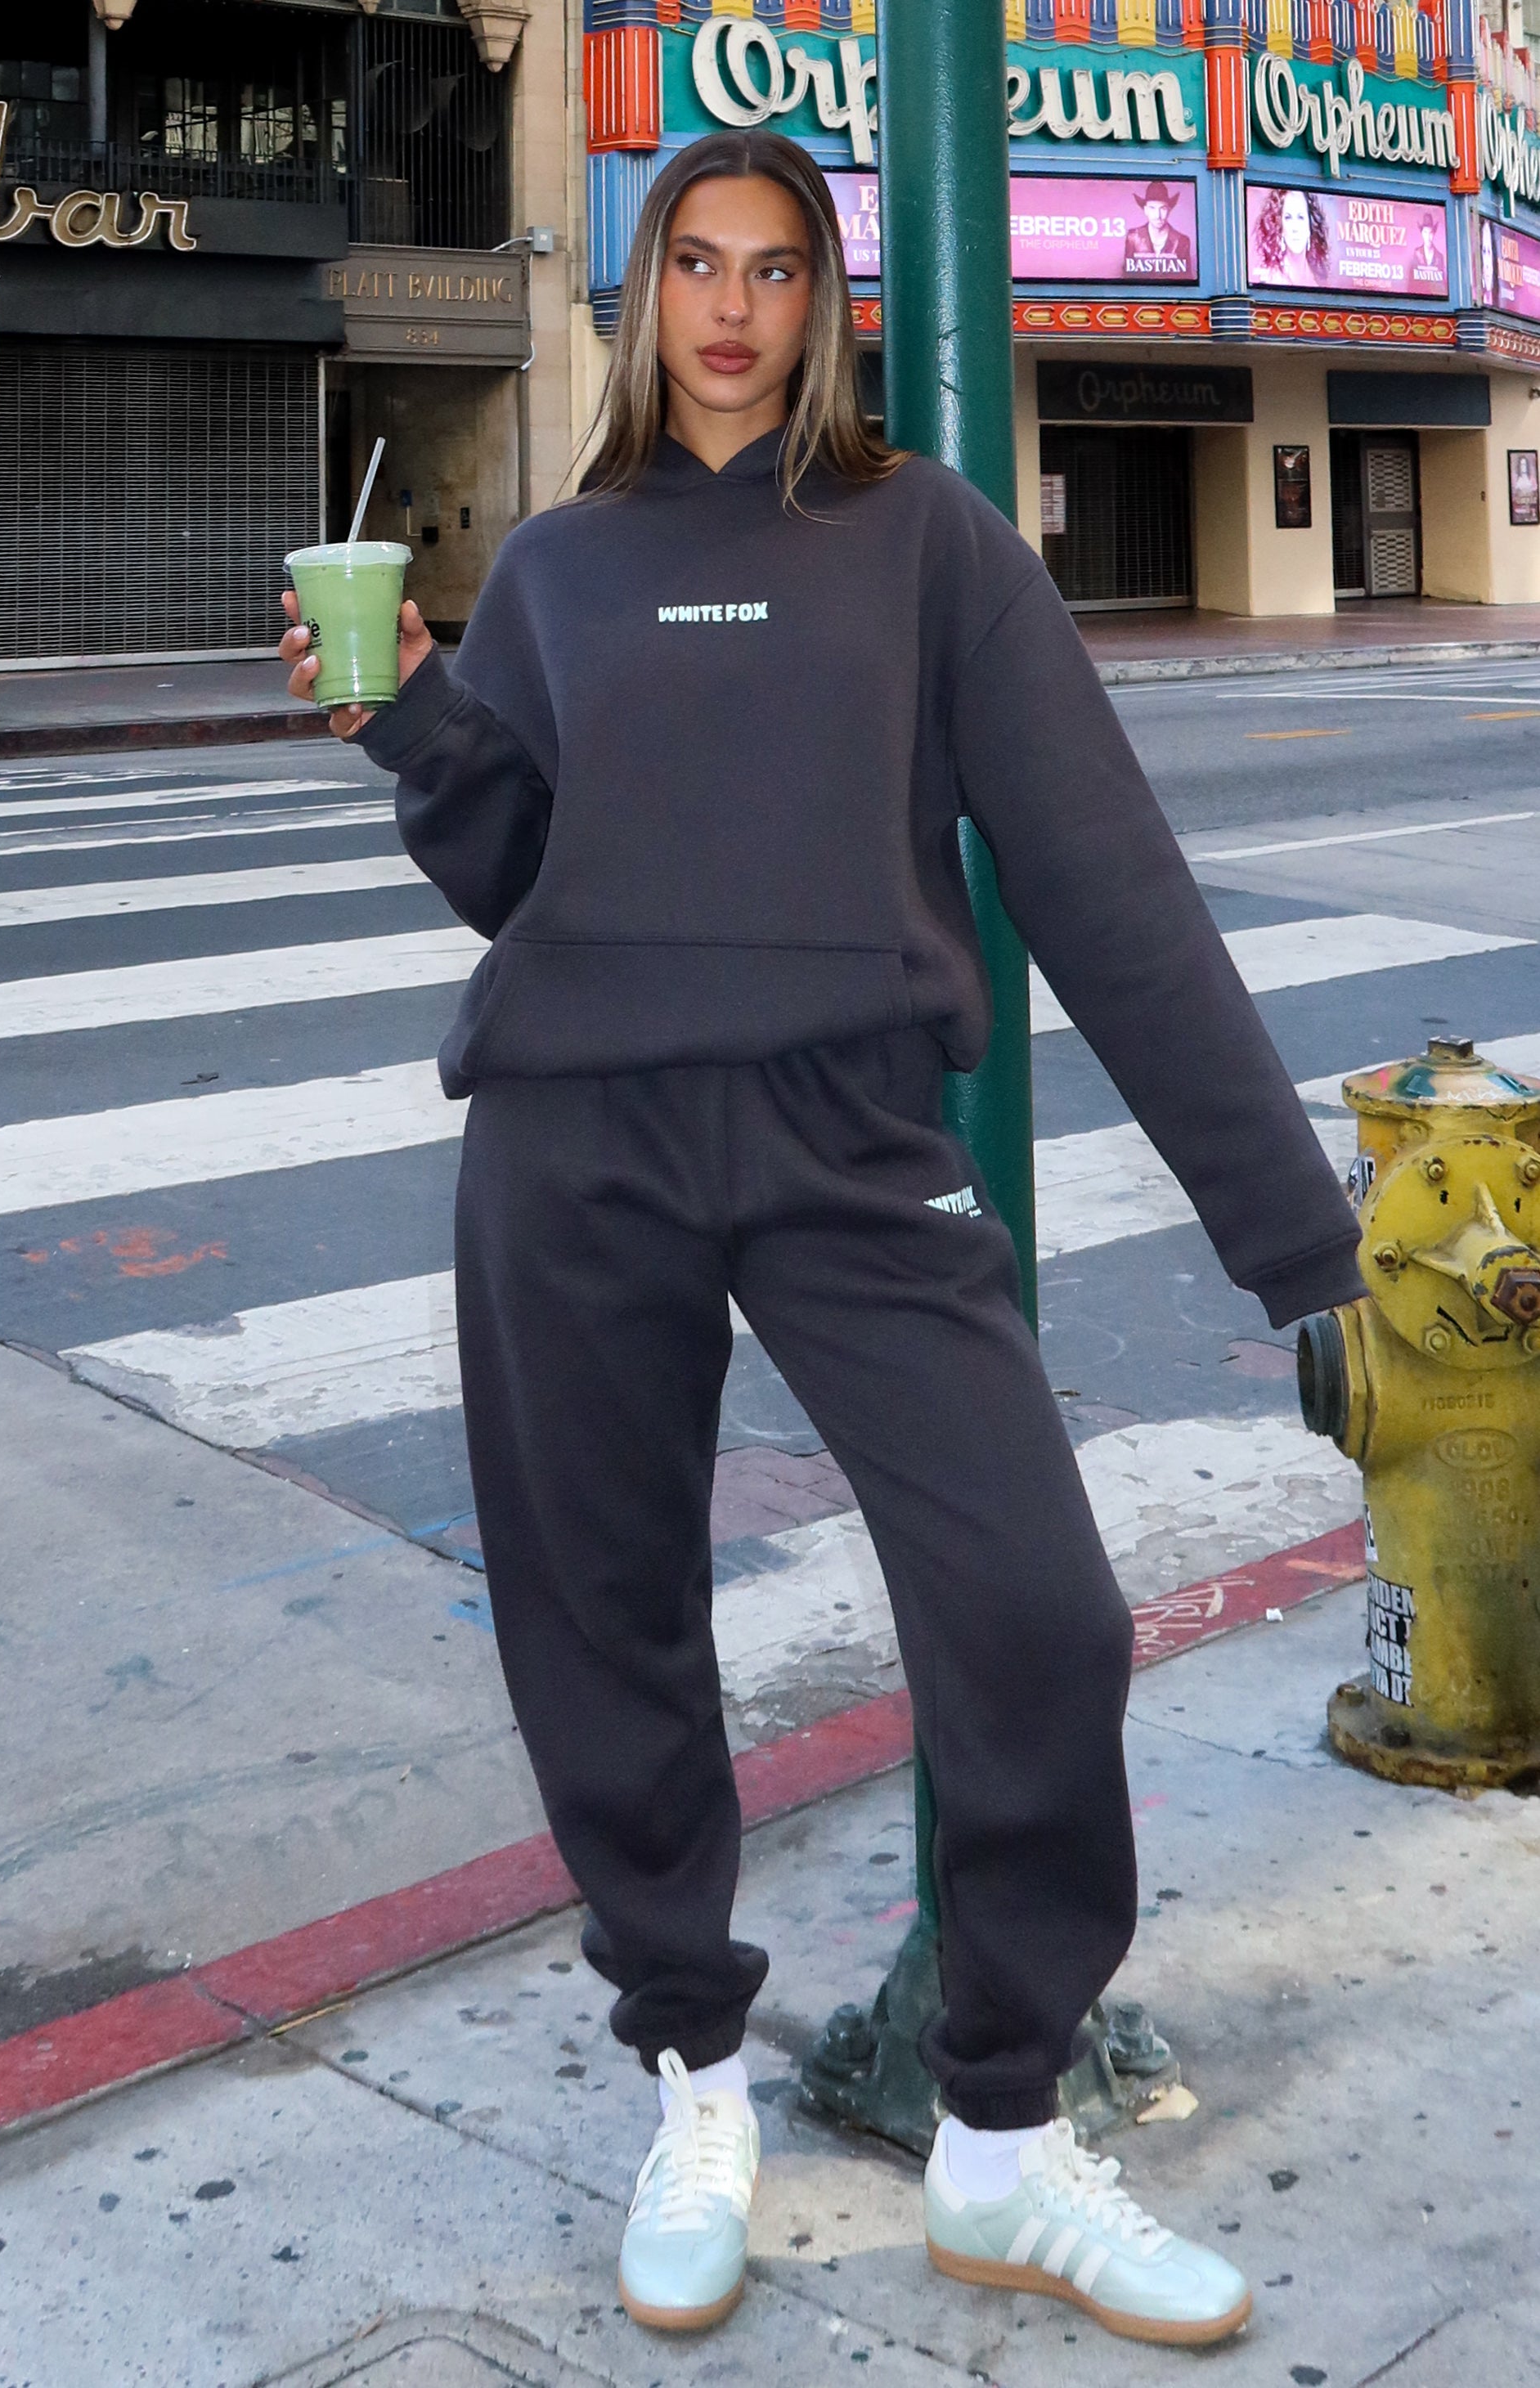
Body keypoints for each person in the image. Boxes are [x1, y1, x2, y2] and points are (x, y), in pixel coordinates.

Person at [281, 130, 1365, 2353]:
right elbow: (527, 875)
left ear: (822, 307)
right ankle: (692, 2081)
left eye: (774, 269)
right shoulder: (561, 566)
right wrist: (402, 717)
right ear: (645, 294)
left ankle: (1000, 2134)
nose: (731, 306)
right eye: (695, 261)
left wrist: (1296, 1244)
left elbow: (1106, 887)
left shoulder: (922, 542)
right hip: (574, 1140)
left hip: (845, 1138)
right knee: (603, 1616)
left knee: (1036, 1610)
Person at [1252, 185, 1330, 287]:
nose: (1295, 228)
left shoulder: (1318, 283)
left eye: (1300, 217)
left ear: (1310, 226)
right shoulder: (1271, 280)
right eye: (1288, 218)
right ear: (1280, 228)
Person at [1122, 180, 1192, 276]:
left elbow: (1186, 278)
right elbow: (1127, 276)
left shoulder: (1182, 241)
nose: (1158, 215)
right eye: (1152, 208)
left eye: (1163, 208)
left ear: (1169, 210)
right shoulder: (1133, 237)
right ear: (1146, 210)